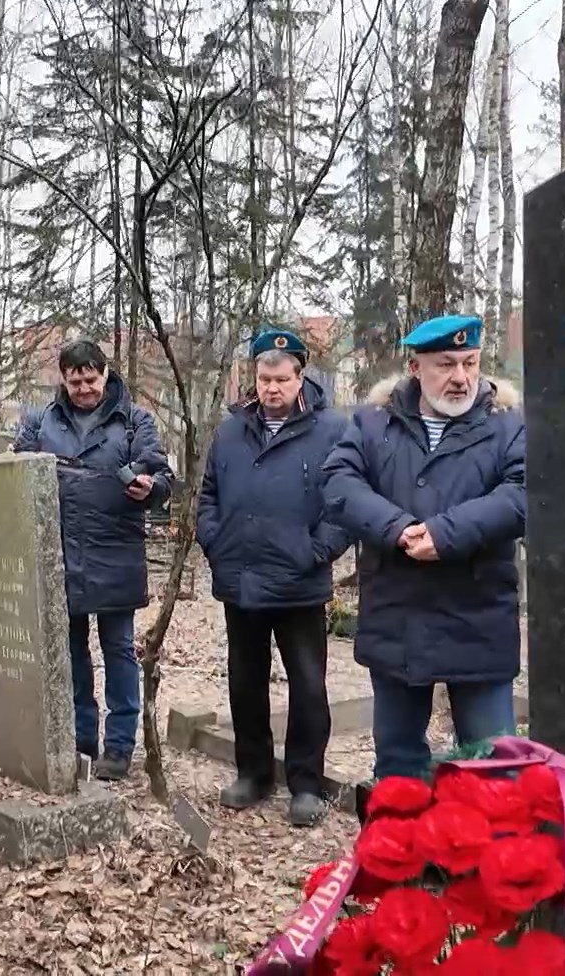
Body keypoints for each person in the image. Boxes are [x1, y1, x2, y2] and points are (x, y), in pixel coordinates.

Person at [322, 315, 525, 781]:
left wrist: (446, 534)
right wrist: (397, 527)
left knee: (496, 773)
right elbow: (337, 483)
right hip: (398, 619)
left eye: (470, 363)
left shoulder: (507, 426)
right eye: (446, 364)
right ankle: (401, 855)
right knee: (397, 771)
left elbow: (522, 494)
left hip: (477, 622)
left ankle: (486, 857)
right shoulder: (374, 423)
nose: (461, 378)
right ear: (415, 367)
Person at [197, 329, 350, 826]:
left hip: (299, 582)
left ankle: (306, 783)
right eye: (264, 378)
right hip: (240, 577)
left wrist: (317, 550)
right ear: (253, 378)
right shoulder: (230, 431)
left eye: (282, 379)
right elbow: (208, 497)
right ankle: (254, 772)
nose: (272, 388)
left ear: (299, 377)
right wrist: (215, 542)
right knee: (245, 681)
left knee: (307, 685)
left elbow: (345, 502)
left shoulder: (330, 430)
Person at [13, 340, 173, 781]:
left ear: (106, 374)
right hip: (59, 555)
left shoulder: (135, 420)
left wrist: (148, 486)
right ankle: (81, 736)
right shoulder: (40, 421)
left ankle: (119, 746)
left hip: (115, 553)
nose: (84, 387)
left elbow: (160, 475)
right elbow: (17, 471)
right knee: (71, 652)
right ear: (63, 379)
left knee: (118, 650)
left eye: (91, 378)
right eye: (75, 379)